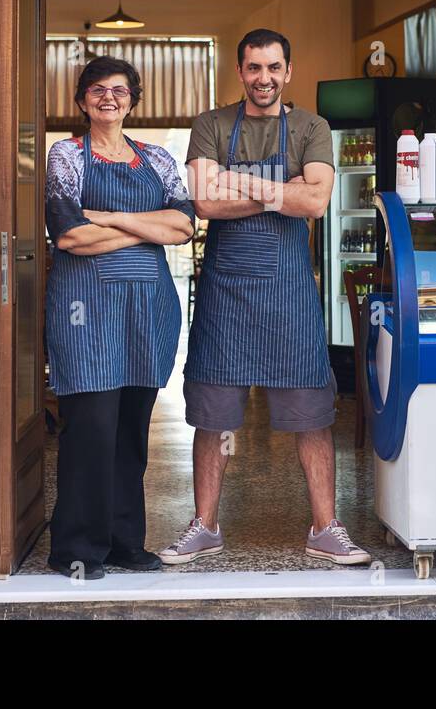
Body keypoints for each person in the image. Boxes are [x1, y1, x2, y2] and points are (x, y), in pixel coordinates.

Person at [161, 28, 372, 567]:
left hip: (289, 292)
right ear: (240, 72)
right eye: (254, 68)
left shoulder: (310, 126)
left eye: (273, 68)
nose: (264, 78)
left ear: (288, 71)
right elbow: (205, 202)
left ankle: (325, 527)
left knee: (311, 411)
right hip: (225, 293)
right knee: (213, 414)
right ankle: (205, 525)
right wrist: (283, 193)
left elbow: (319, 201)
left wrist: (242, 184)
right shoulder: (211, 124)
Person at [44, 55, 195, 580]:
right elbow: (69, 236)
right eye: (98, 89)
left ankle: (125, 542)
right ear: (82, 98)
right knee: (91, 428)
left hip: (147, 310)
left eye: (120, 90)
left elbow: (184, 226)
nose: (109, 98)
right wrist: (145, 228)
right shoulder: (66, 155)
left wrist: (107, 217)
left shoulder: (156, 158)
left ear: (134, 99)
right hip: (84, 314)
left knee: (132, 431)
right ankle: (77, 548)